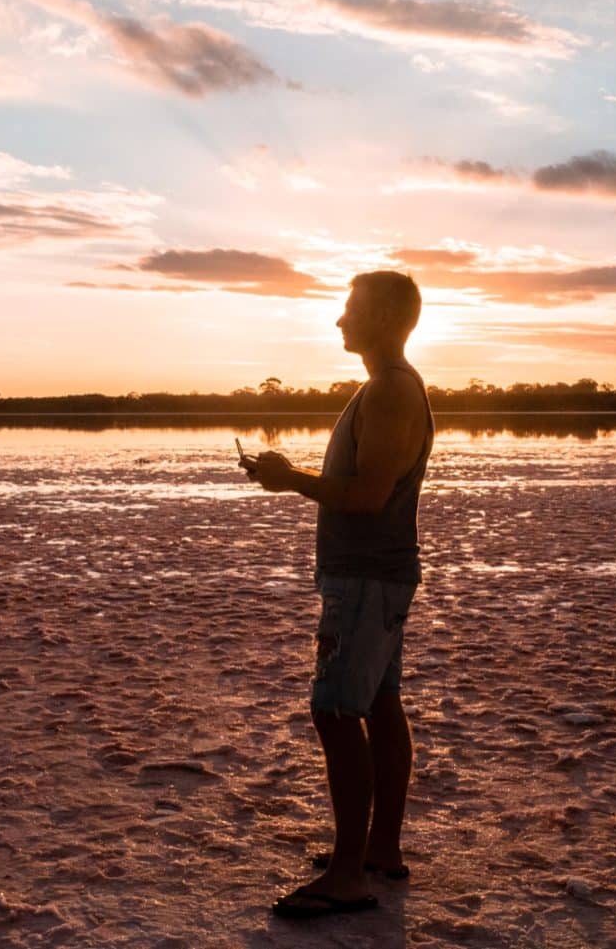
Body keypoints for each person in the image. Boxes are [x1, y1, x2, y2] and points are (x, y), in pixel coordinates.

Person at [241, 270, 434, 920]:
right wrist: (292, 473)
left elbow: (368, 495)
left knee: (334, 712)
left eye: (350, 309)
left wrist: (288, 478)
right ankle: (379, 848)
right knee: (379, 704)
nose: (339, 320)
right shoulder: (386, 388)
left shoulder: (388, 392)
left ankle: (350, 873)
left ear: (382, 316)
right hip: (376, 574)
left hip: (366, 578)